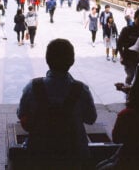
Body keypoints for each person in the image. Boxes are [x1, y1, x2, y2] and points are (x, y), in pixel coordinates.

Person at [17, 38, 97, 168]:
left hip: (40, 153)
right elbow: (91, 118)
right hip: (74, 153)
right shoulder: (81, 90)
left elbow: (21, 113)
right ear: (72, 61)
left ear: (47, 60)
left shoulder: (33, 87)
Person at [117, 9, 139, 84]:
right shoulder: (127, 30)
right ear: (134, 18)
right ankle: (127, 87)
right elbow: (119, 44)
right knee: (131, 75)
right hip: (129, 58)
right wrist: (122, 56)